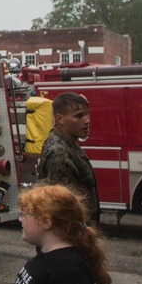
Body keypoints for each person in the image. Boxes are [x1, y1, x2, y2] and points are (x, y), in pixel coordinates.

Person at [37, 92, 99, 226]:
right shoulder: (61, 154)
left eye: (87, 114)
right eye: (79, 116)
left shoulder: (64, 141)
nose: (87, 120)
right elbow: (64, 209)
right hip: (71, 236)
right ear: (60, 119)